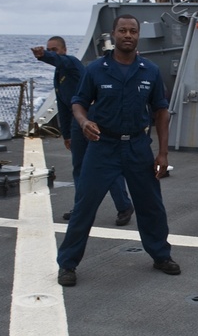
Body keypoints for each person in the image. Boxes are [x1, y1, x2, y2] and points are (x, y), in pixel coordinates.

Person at [56, 15, 180, 287]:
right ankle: (67, 264)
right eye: (122, 30)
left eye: (133, 31)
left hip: (138, 147)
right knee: (84, 207)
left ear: (138, 36)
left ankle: (161, 256)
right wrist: (84, 121)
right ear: (114, 34)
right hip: (103, 147)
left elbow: (161, 111)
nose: (128, 35)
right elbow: (78, 103)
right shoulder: (96, 69)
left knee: (152, 207)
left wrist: (163, 153)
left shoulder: (150, 71)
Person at [32, 36, 133, 225]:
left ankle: (124, 206)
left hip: (94, 120)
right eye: (49, 49)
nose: (53, 52)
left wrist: (43, 56)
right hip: (77, 125)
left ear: (64, 50)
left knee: (106, 166)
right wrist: (67, 135)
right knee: (79, 168)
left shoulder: (71, 64)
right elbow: (64, 105)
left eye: (55, 49)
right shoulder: (59, 74)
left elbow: (59, 59)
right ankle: (80, 208)